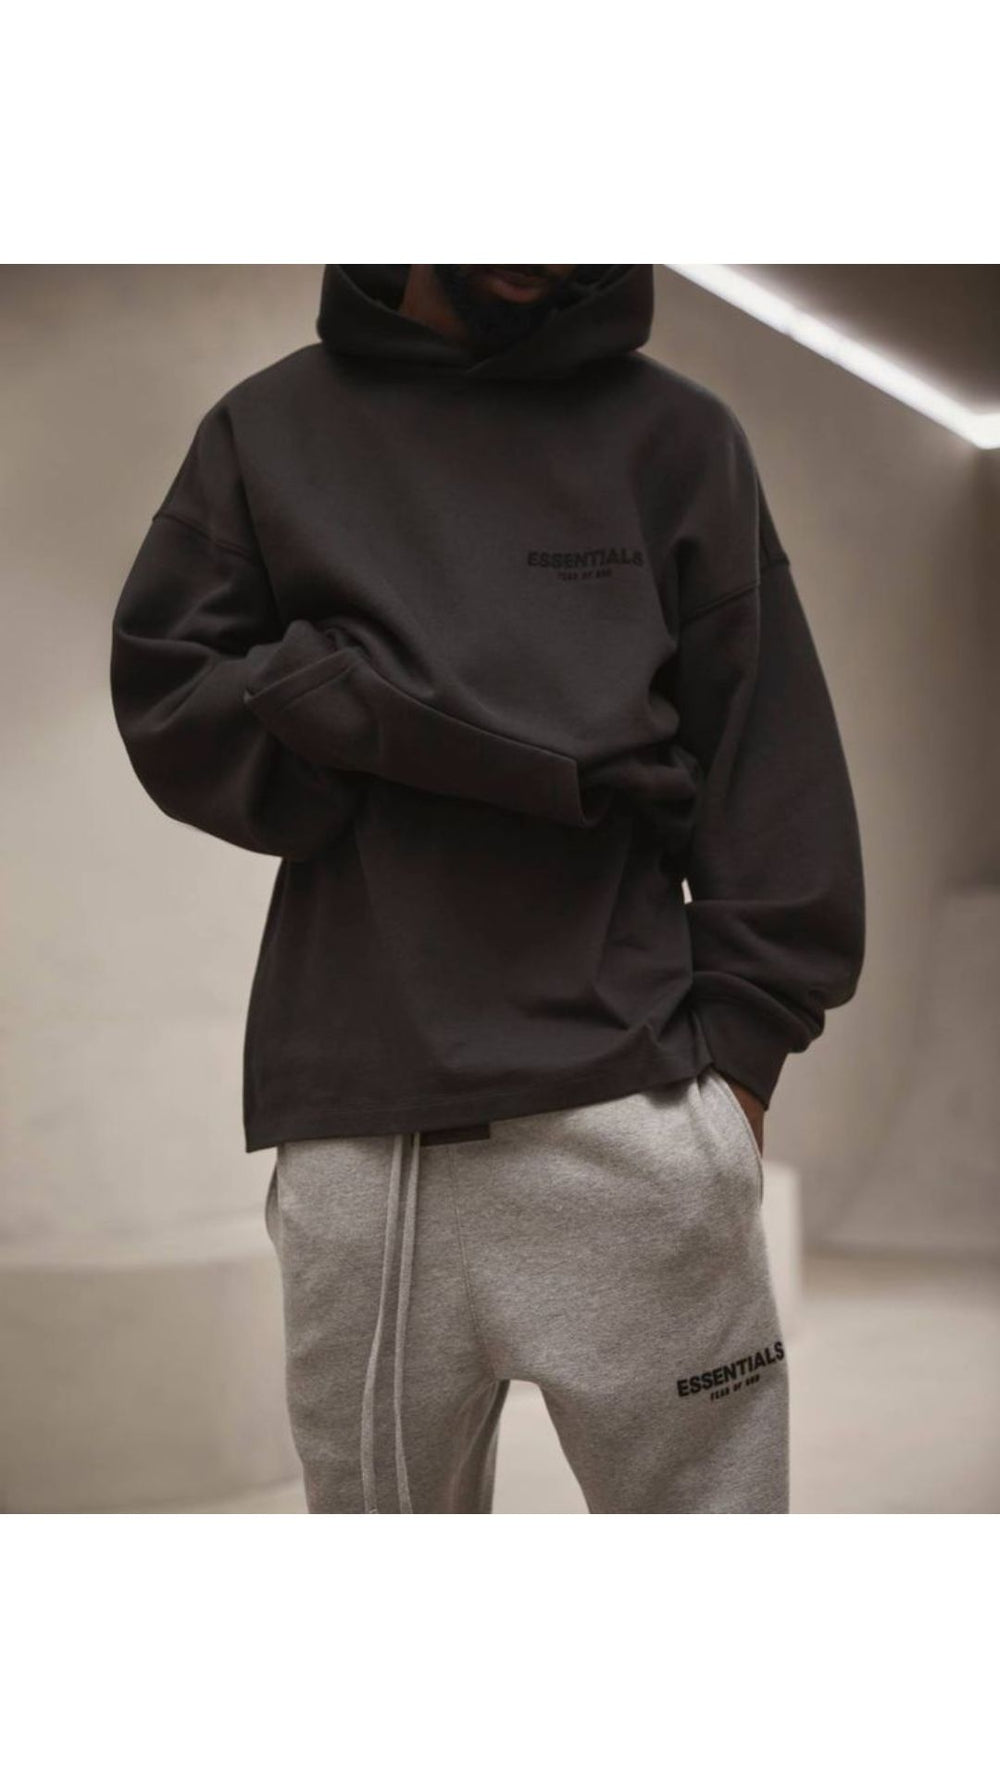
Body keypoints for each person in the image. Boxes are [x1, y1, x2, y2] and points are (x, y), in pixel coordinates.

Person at [110, 264, 866, 1513]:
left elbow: (769, 763)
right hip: (366, 1138)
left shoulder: (679, 440)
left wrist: (731, 1085)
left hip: (637, 1111)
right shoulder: (267, 431)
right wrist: (351, 702)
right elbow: (169, 696)